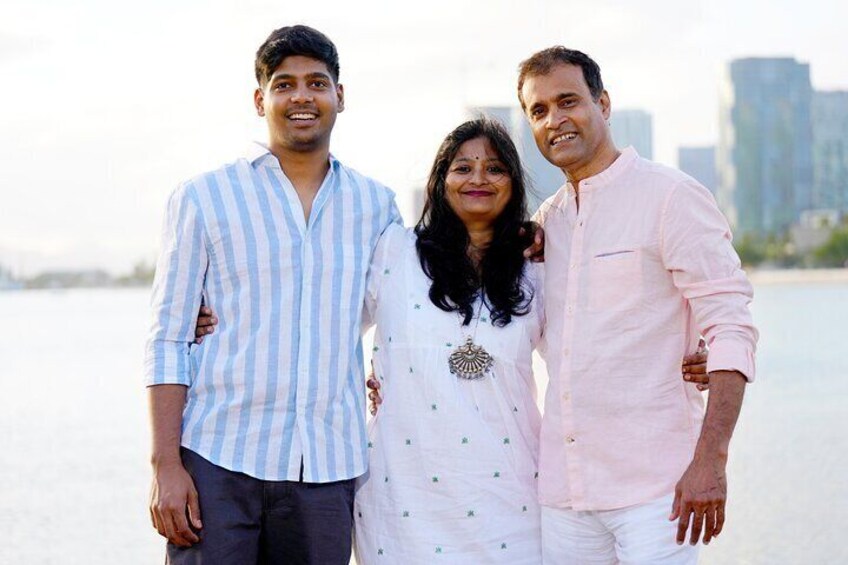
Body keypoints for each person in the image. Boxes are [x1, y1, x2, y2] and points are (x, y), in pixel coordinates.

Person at [144, 25, 400, 564]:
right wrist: (165, 464)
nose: (302, 97)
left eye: (317, 83)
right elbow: (167, 337)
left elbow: (408, 302)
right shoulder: (204, 197)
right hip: (217, 460)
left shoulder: (376, 206)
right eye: (285, 85)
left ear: (339, 96)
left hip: (327, 469)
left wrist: (523, 240)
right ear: (261, 99)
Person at [517, 47, 758, 563]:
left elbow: (732, 327)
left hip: (658, 489)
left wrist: (711, 461)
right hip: (565, 493)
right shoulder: (546, 224)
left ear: (603, 104)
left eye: (568, 101)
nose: (555, 120)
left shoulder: (671, 196)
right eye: (538, 111)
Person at [353, 118, 544, 564]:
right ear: (440, 182)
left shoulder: (537, 267)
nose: (478, 179)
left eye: (494, 168)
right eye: (462, 168)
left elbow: (588, 348)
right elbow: (325, 324)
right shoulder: (393, 252)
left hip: (511, 495)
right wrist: (209, 319)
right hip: (404, 496)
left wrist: (689, 351)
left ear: (514, 184)